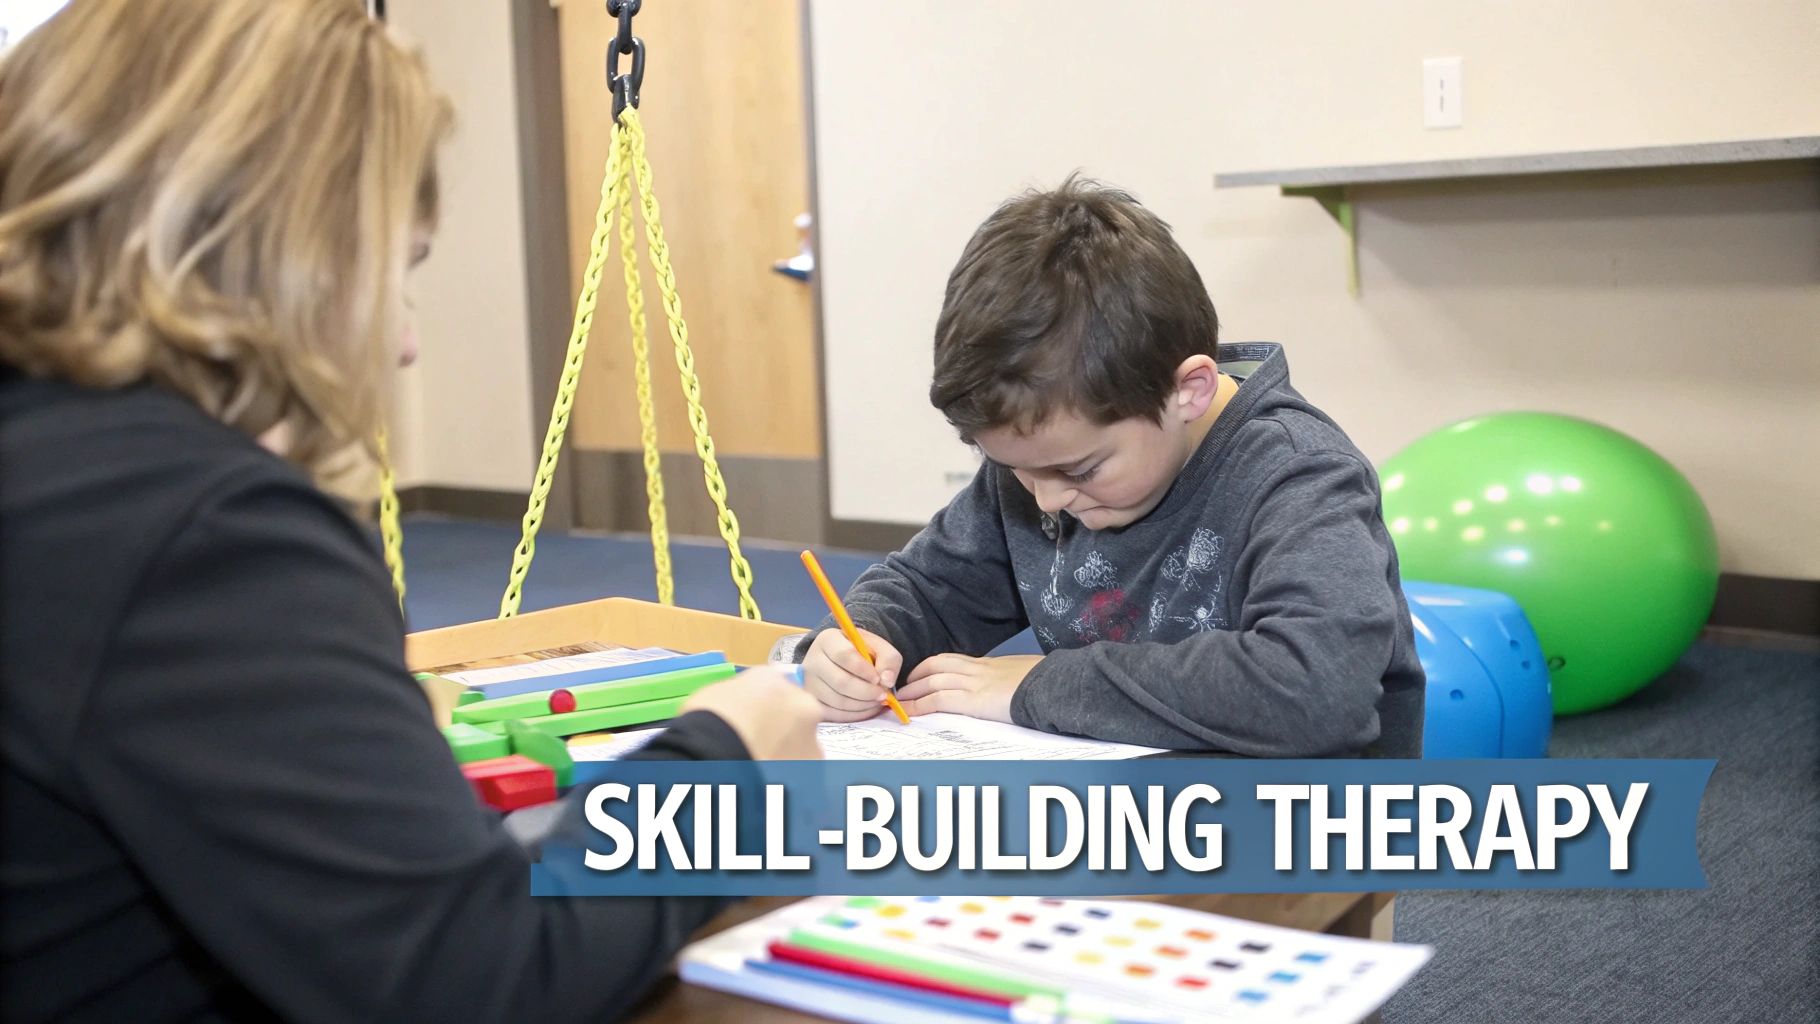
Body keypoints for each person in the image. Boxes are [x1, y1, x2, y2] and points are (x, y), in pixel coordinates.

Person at [0, 1, 821, 1020]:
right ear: (283, 245)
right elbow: (479, 977)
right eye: (400, 267)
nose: (403, 346)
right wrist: (719, 765)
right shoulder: (201, 533)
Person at [799, 176, 1424, 758]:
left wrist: (1043, 687)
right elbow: (931, 589)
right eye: (1016, 470)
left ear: (1189, 392)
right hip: (1128, 806)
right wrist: (858, 643)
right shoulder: (1046, 463)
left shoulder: (1298, 474)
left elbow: (1314, 689)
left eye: (1080, 471)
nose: (1044, 501)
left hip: (1298, 838)